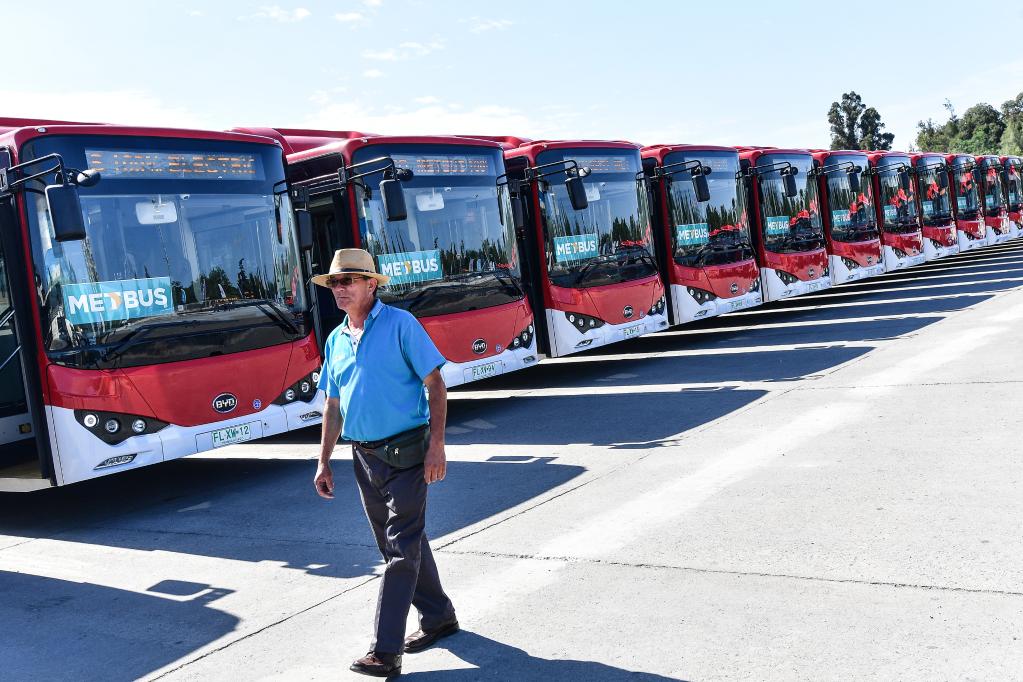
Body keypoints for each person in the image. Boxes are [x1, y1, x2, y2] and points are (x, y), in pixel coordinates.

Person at [312, 248, 459, 678]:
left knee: (400, 548)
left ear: (371, 284)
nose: (340, 289)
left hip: (408, 452)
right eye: (335, 283)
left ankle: (385, 650)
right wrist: (324, 460)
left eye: (348, 281)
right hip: (363, 457)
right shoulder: (336, 339)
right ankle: (439, 617)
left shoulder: (400, 325)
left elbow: (436, 385)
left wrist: (437, 445)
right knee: (403, 544)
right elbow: (333, 406)